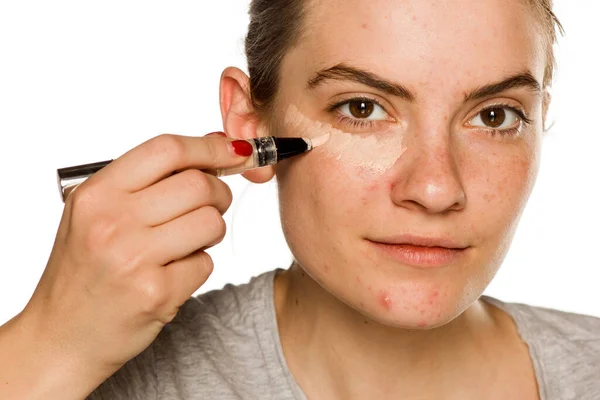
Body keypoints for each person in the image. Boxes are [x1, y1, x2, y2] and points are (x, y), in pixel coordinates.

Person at [1, 0, 599, 398]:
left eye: (495, 115)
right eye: (362, 108)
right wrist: (48, 347)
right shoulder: (112, 380)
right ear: (250, 122)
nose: (436, 188)